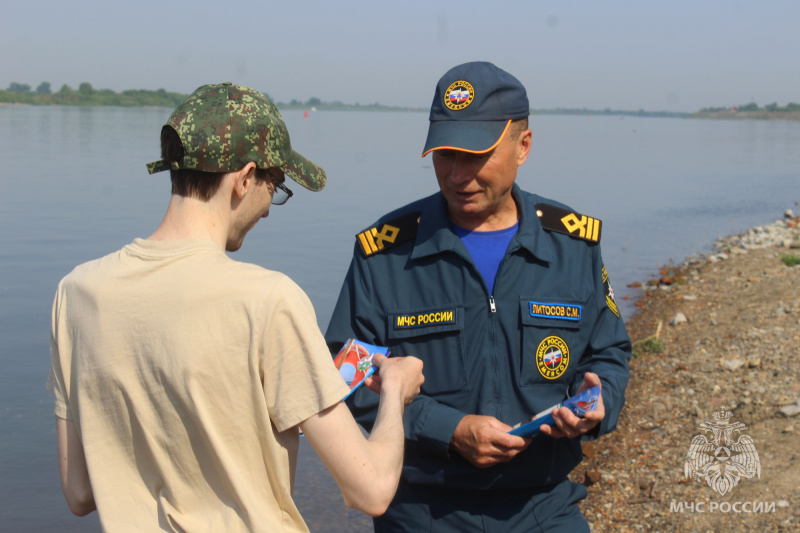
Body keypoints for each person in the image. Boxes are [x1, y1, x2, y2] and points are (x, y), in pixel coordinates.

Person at [47, 82, 424, 532]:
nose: (268, 208)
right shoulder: (267, 301)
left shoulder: (77, 293)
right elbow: (372, 489)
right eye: (276, 186)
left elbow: (80, 492)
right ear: (245, 179)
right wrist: (396, 395)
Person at [325, 62, 631, 532]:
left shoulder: (572, 245)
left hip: (543, 507)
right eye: (445, 155)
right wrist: (449, 430)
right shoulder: (384, 253)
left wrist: (599, 401)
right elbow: (345, 374)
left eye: (476, 155)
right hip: (422, 512)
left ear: (523, 145)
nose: (457, 175)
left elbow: (609, 352)